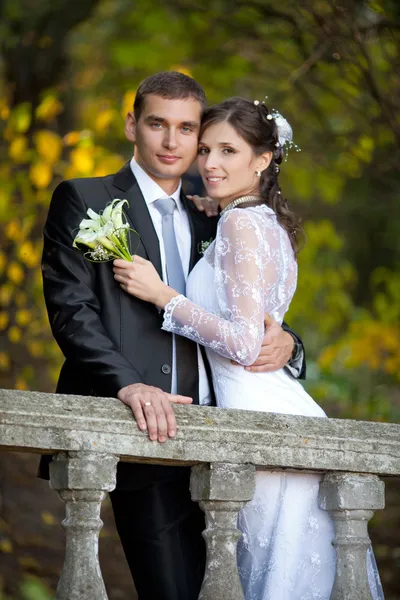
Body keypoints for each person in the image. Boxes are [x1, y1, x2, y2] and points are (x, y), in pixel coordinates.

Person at [39, 72, 306, 600]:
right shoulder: (85, 200)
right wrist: (128, 386)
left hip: (226, 432)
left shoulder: (216, 209)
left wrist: (293, 346)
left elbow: (247, 313)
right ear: (132, 125)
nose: (171, 141)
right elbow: (73, 312)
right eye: (158, 123)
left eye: (187, 129)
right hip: (144, 431)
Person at [113, 96, 385, 600]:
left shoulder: (240, 224)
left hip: (256, 411)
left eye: (229, 152)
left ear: (262, 160)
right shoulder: (261, 223)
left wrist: (162, 295)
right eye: (207, 150)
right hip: (273, 405)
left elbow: (242, 341)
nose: (210, 164)